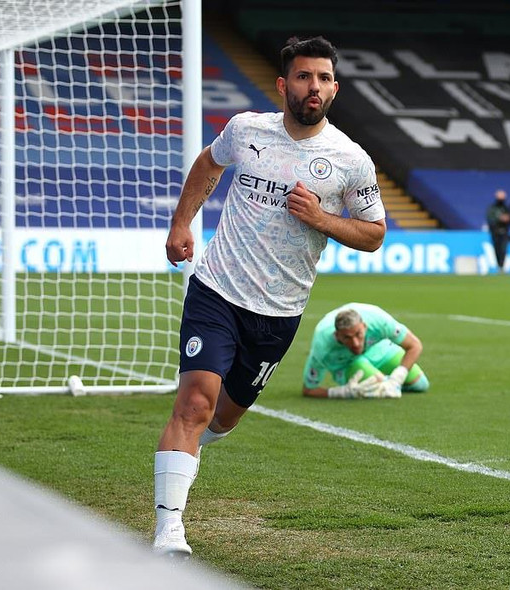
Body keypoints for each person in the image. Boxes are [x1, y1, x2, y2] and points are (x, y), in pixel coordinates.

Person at [154, 36, 387, 557]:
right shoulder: (246, 129)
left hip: (279, 312)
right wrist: (181, 223)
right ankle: (169, 531)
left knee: (223, 417)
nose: (315, 87)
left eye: (325, 79)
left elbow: (374, 235)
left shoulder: (351, 160)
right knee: (194, 402)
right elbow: (208, 165)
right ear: (284, 84)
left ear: (335, 89)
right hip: (218, 289)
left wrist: (322, 218)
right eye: (305, 77)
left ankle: (184, 452)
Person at [302, 303, 429, 399]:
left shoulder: (379, 321)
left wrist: (397, 378)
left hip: (379, 349)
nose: (355, 343)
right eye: (347, 337)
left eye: (358, 334)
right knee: (381, 387)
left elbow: (415, 345)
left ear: (365, 326)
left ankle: (387, 380)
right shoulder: (322, 344)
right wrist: (341, 392)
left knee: (420, 385)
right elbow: (308, 389)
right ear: (337, 335)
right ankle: (382, 379)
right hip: (347, 363)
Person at [485, 189, 510, 273]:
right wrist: (499, 218)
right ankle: (499, 265)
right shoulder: (493, 207)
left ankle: (501, 266)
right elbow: (490, 218)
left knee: (503, 249)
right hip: (495, 231)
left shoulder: (506, 208)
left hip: (505, 231)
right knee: (497, 249)